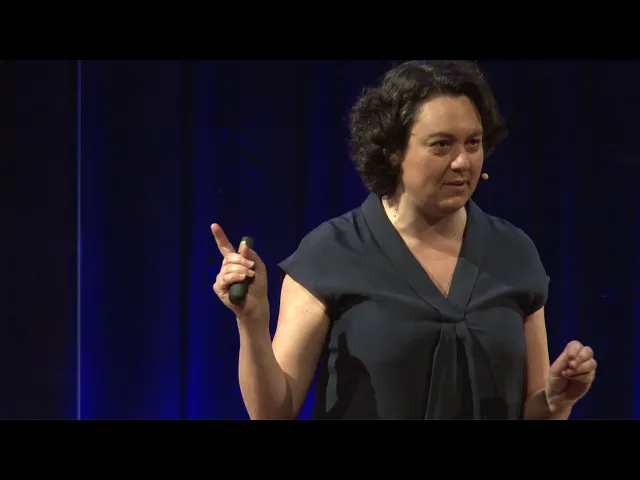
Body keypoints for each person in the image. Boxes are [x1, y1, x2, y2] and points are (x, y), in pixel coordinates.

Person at [211, 60, 597, 420]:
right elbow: (273, 412)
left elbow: (533, 409)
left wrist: (556, 400)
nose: (462, 161)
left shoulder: (514, 252)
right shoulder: (330, 252)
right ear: (394, 152)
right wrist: (252, 322)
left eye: (473, 143)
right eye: (442, 144)